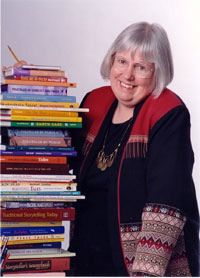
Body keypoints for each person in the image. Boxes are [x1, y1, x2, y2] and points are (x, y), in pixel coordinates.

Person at [70, 21, 199, 277]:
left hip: (140, 264)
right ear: (111, 61)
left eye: (140, 67)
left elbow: (167, 200)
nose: (127, 75)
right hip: (85, 256)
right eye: (122, 62)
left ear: (157, 72)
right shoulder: (94, 102)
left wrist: (146, 272)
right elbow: (60, 166)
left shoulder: (168, 112)